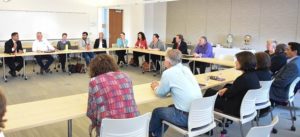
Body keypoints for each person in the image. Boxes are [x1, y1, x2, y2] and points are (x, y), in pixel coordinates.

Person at [149, 49, 202, 137]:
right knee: (170, 107)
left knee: (157, 112)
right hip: (198, 114)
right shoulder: (186, 69)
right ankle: (156, 134)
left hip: (186, 118)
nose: (164, 62)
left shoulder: (168, 73)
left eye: (164, 60)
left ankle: (149, 134)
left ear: (168, 62)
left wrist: (155, 86)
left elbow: (160, 93)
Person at [87, 54, 139, 136]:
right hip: (134, 128)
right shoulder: (126, 76)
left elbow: (91, 111)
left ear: (94, 68)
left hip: (110, 131)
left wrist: (93, 124)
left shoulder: (95, 81)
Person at [204, 51, 260, 117]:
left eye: (238, 60)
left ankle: (204, 119)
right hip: (246, 107)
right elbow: (237, 89)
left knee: (208, 93)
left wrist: (224, 92)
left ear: (245, 63)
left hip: (234, 108)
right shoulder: (254, 75)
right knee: (212, 91)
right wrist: (226, 90)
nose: (235, 62)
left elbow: (228, 95)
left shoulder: (243, 78)